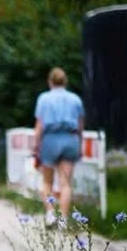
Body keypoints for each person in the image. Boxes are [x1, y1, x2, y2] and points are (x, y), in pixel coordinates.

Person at [33, 67, 85, 228]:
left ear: (50, 82)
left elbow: (39, 126)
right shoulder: (75, 99)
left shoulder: (44, 99)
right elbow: (80, 126)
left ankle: (50, 214)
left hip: (50, 140)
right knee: (65, 184)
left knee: (47, 181)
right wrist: (80, 144)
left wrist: (36, 147)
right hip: (70, 139)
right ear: (65, 81)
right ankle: (63, 219)